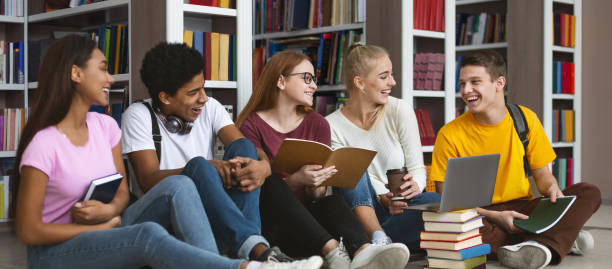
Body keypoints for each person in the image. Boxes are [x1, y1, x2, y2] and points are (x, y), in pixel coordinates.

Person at [13, 35, 323, 269]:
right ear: (76, 74)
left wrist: (109, 212)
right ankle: (248, 263)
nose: (111, 78)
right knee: (156, 221)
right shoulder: (45, 143)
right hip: (58, 249)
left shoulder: (105, 127)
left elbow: (121, 193)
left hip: (111, 224)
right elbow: (28, 231)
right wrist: (104, 223)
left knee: (189, 178)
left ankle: (249, 252)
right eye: (104, 69)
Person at [122, 42, 316, 264]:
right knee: (198, 165)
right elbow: (147, 181)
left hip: (210, 209)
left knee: (243, 149)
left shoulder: (210, 107)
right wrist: (204, 167)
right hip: (164, 210)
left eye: (203, 88)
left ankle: (249, 248)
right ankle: (257, 251)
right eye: (193, 93)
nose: (203, 98)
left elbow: (246, 147)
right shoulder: (137, 115)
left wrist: (264, 165)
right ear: (165, 98)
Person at [236, 51, 410, 269]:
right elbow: (256, 192)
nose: (313, 86)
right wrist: (297, 180)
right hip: (273, 226)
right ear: (281, 80)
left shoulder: (317, 123)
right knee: (270, 181)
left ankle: (363, 251)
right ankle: (334, 252)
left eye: (314, 80)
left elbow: (316, 196)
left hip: (312, 227)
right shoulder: (251, 126)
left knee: (331, 200)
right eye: (306, 78)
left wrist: (317, 184)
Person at [430, 50, 601, 269]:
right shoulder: (450, 134)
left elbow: (543, 176)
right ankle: (557, 238)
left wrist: (551, 189)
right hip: (482, 214)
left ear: (499, 83)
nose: (466, 90)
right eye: (462, 83)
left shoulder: (525, 119)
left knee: (588, 192)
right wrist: (494, 216)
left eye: (475, 82)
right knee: (458, 234)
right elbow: (449, 201)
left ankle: (542, 244)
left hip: (522, 209)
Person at [325, 44, 441, 252]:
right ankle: (378, 237)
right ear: (359, 82)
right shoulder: (331, 125)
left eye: (392, 74)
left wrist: (414, 186)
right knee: (351, 163)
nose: (393, 82)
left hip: (400, 206)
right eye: (384, 76)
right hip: (359, 208)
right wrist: (381, 197)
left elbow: (417, 166)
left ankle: (373, 244)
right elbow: (348, 182)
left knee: (434, 200)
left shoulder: (399, 110)